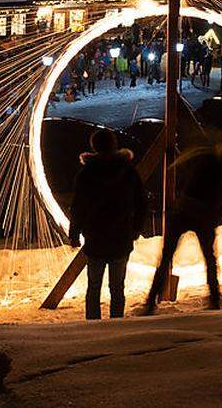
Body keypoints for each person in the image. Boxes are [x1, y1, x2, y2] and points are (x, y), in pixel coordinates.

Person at [143, 138, 222, 314]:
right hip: (204, 214)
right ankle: (214, 300)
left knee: (166, 258)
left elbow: (187, 173)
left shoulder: (207, 157)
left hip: (184, 208)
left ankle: (150, 303)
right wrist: (220, 212)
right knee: (209, 258)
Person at [69, 129, 147, 320]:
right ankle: (116, 324)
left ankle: (93, 325)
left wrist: (74, 233)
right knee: (117, 287)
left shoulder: (86, 173)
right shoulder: (128, 171)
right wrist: (136, 228)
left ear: (94, 146)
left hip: (96, 238)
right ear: (114, 145)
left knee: (93, 287)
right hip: (121, 237)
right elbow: (141, 202)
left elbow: (78, 206)